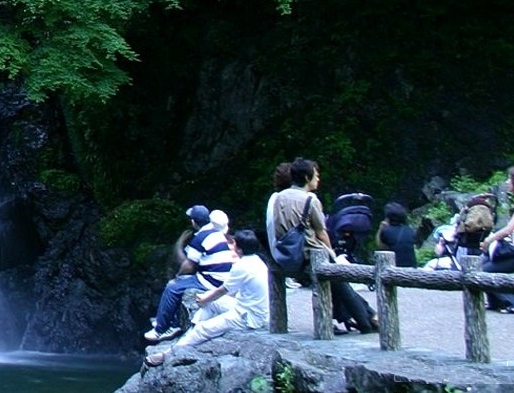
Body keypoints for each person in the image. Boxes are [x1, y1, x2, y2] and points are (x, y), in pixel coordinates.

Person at [270, 157, 377, 334]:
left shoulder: (279, 198)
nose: (318, 179)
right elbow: (321, 232)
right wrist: (332, 253)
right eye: (316, 175)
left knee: (338, 285)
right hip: (310, 254)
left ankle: (366, 317)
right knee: (341, 282)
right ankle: (367, 321)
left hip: (287, 254)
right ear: (306, 177)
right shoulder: (309, 200)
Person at [146, 228, 270, 366]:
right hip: (251, 309)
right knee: (211, 304)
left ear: (237, 246)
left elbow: (223, 291)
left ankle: (167, 354)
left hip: (248, 317)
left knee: (204, 326)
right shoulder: (257, 260)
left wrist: (205, 298)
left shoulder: (241, 266)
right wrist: (208, 299)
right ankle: (191, 333)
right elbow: (228, 292)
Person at [145, 205, 236, 343]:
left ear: (193, 222)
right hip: (221, 278)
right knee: (181, 284)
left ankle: (161, 329)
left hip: (211, 280)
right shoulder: (216, 233)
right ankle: (170, 321)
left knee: (173, 287)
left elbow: (188, 264)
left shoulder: (200, 237)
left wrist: (178, 272)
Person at [479, 166, 514, 312]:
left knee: (485, 272)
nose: (507, 182)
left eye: (510, 179)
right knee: (481, 265)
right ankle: (495, 302)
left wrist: (489, 241)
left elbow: (509, 228)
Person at [377, 202, 417, 268]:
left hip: (394, 268)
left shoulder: (386, 231)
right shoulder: (410, 230)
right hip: (412, 268)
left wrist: (380, 229)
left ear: (388, 217)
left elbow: (381, 246)